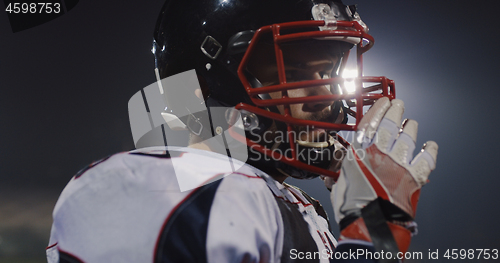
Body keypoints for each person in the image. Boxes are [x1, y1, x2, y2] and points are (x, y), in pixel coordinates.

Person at [46, 0, 438, 262]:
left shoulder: (287, 202)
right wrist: (372, 240)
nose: (328, 98)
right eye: (297, 74)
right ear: (206, 87)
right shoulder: (150, 187)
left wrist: (372, 226)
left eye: (329, 72)